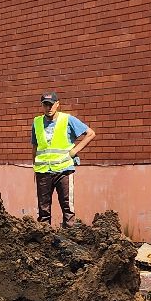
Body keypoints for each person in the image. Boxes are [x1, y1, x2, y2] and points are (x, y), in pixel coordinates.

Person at [32, 92, 94, 226]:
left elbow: (90, 134)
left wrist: (74, 151)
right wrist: (35, 166)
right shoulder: (37, 122)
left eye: (51, 104)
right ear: (42, 106)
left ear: (57, 104)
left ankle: (69, 237)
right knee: (43, 209)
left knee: (67, 207)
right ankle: (44, 237)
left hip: (64, 170)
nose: (49, 108)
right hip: (43, 171)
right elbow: (35, 146)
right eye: (45, 104)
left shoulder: (67, 119)